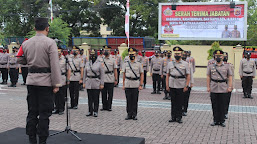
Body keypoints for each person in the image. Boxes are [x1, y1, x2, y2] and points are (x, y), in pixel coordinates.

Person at [17, 17, 62, 144]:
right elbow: (54, 64)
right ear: (47, 28)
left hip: (31, 80)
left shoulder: (26, 43)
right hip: (45, 82)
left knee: (32, 112)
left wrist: (30, 62)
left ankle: (32, 139)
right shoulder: (50, 43)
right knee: (44, 113)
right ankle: (42, 140)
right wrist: (56, 84)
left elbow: (19, 58)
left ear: (34, 28)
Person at [207, 50, 232, 127]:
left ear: (223, 57)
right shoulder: (211, 66)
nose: (218, 57)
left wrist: (229, 87)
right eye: (217, 56)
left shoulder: (227, 66)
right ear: (214, 57)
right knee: (214, 104)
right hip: (214, 87)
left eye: (220, 56)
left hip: (223, 87)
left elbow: (230, 76)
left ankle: (222, 120)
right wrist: (208, 86)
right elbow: (208, 76)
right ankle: (215, 120)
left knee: (222, 104)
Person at [166, 46, 190, 124]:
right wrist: (167, 85)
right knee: (173, 102)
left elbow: (188, 75)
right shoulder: (170, 63)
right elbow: (167, 75)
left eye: (178, 53)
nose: (177, 55)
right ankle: (173, 117)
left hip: (181, 85)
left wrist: (186, 85)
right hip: (172, 84)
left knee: (179, 102)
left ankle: (179, 117)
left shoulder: (185, 64)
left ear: (181, 54)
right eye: (175, 53)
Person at [123, 47, 144, 120]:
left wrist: (141, 84)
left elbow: (141, 74)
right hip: (128, 83)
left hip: (135, 83)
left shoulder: (138, 64)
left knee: (135, 100)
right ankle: (129, 114)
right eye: (130, 54)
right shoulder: (125, 64)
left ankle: (134, 114)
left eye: (133, 54)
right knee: (128, 100)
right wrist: (123, 84)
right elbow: (124, 74)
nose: (131, 56)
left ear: (135, 55)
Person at [84, 49, 105, 117]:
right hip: (89, 81)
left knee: (96, 98)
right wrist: (84, 82)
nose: (92, 56)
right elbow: (85, 73)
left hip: (96, 81)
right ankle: (90, 111)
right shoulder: (87, 63)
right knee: (89, 98)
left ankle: (95, 111)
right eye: (91, 54)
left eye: (93, 54)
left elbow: (102, 74)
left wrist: (102, 84)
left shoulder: (99, 63)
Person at [52, 47, 71, 115]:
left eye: (59, 51)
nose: (58, 52)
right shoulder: (53, 59)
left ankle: (61, 108)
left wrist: (68, 79)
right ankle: (56, 108)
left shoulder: (65, 59)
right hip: (55, 78)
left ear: (62, 52)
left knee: (61, 94)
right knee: (55, 94)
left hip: (62, 78)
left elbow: (68, 70)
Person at [100, 46, 118, 111]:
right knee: (103, 93)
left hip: (110, 78)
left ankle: (109, 106)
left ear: (110, 51)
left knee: (110, 94)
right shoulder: (101, 59)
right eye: (105, 50)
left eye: (107, 50)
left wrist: (116, 79)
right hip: (103, 78)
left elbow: (115, 70)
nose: (106, 51)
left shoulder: (113, 59)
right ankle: (104, 106)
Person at [182, 51, 194, 116]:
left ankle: (185, 110)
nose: (184, 56)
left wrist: (191, 82)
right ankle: (180, 109)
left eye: (185, 55)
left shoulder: (189, 64)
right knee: (180, 97)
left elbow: (191, 73)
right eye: (183, 55)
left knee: (186, 98)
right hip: (180, 83)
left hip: (187, 83)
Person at [223, 52, 234, 119]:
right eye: (224, 56)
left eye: (226, 56)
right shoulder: (216, 65)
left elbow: (232, 77)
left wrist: (232, 85)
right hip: (220, 85)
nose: (225, 58)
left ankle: (225, 112)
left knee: (227, 100)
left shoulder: (230, 65)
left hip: (227, 85)